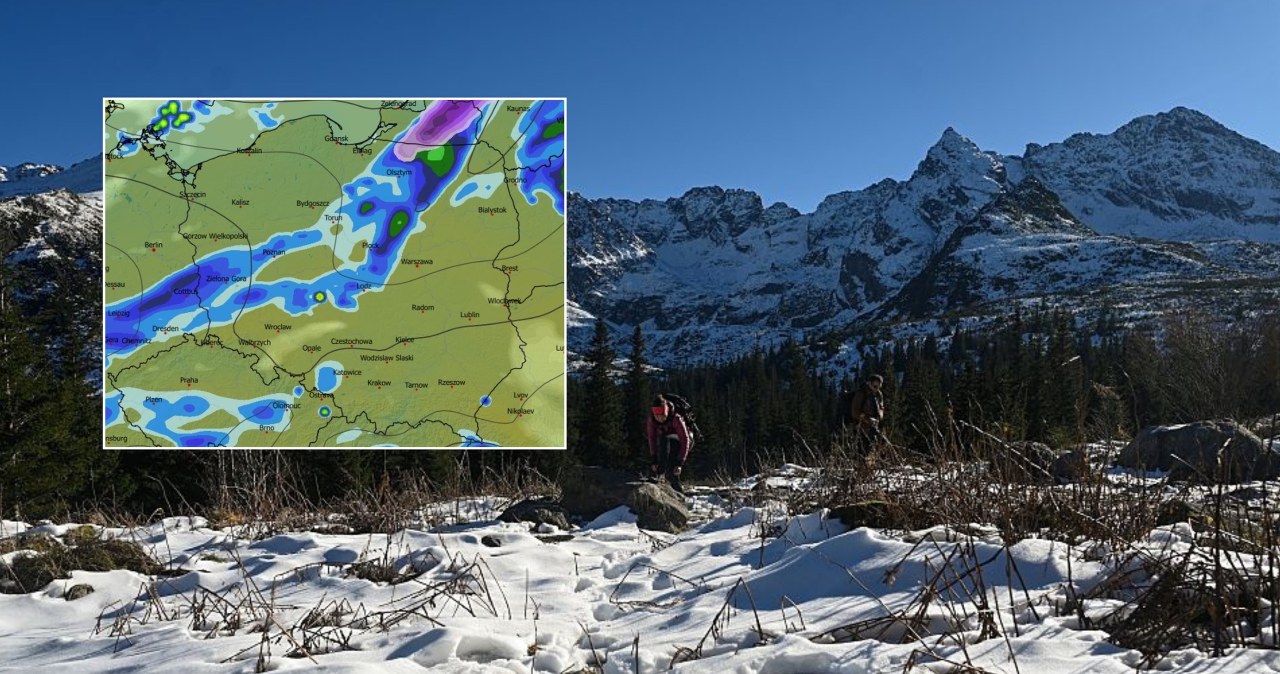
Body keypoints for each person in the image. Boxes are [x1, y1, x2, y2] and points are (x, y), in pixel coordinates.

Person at [647, 394, 692, 493]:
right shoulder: (652, 420)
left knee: (672, 469)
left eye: (663, 416)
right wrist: (654, 459)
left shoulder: (676, 418)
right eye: (657, 416)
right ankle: (659, 474)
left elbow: (685, 440)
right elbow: (652, 438)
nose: (660, 419)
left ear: (667, 412)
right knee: (663, 446)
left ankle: (678, 492)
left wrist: (679, 462)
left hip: (682, 441)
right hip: (665, 440)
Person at [847, 374, 886, 449]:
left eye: (879, 387)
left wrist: (879, 419)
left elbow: (881, 409)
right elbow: (854, 412)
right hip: (861, 428)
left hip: (875, 427)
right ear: (869, 383)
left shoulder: (879, 395)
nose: (877, 389)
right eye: (875, 386)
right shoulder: (861, 393)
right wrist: (868, 419)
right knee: (864, 449)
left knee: (882, 445)